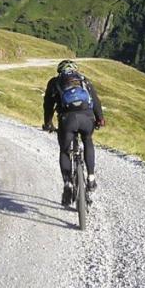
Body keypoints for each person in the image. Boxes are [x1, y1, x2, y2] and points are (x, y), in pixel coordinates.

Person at [42, 59, 105, 206]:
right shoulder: (84, 80)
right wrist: (100, 119)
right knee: (88, 140)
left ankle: (68, 184)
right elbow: (95, 101)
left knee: (64, 151)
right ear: (75, 69)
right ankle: (90, 177)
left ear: (60, 71)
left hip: (67, 120)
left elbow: (48, 105)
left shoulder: (54, 82)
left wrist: (48, 123)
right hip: (87, 117)